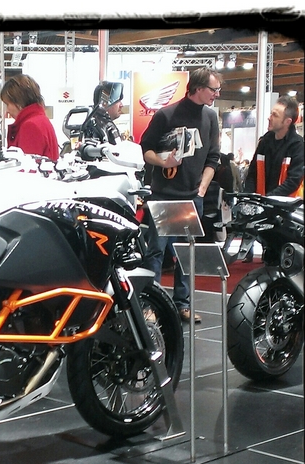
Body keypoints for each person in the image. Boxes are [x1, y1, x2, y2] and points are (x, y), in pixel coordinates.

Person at [140, 67, 222, 323]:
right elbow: (146, 149)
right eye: (214, 89)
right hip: (164, 195)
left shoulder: (210, 117)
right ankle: (150, 305)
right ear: (198, 88)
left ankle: (182, 303)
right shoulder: (166, 114)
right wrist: (163, 162)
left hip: (193, 195)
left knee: (187, 254)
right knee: (156, 252)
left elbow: (213, 157)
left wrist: (202, 187)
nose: (217, 94)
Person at [244, 95, 305, 198]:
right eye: (271, 113)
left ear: (287, 122)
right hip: (262, 203)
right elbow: (252, 174)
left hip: (286, 205)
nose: (269, 118)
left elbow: (293, 181)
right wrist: (247, 197)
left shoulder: (297, 146)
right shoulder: (265, 141)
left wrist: (268, 198)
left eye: (275, 115)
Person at [0, 74, 59, 159]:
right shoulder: (40, 120)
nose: (7, 110)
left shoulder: (30, 126)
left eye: (7, 104)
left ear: (18, 101)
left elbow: (26, 166)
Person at [83, 81, 124, 145]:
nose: (122, 105)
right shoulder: (103, 127)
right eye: (118, 101)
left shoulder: (96, 123)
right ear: (105, 103)